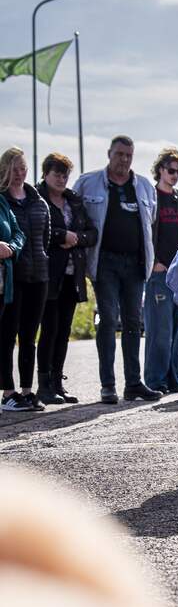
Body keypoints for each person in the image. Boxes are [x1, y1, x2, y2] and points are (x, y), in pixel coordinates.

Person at [75, 135, 162, 404]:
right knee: (109, 320)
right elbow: (76, 215)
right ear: (109, 153)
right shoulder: (88, 183)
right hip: (105, 263)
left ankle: (134, 384)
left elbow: (152, 222)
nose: (123, 160)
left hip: (135, 264)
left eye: (128, 155)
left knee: (134, 323)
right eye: (119, 154)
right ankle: (108, 385)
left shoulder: (145, 187)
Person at [36, 152, 98, 405]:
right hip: (48, 274)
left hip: (73, 275)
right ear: (45, 174)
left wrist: (75, 238)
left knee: (63, 332)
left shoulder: (73, 201)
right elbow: (37, 230)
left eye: (65, 175)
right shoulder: (36, 199)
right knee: (49, 330)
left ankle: (57, 383)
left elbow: (91, 233)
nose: (61, 179)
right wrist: (62, 235)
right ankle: (44, 385)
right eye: (57, 174)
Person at [144, 147, 178, 395]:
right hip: (158, 271)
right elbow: (145, 230)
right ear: (160, 170)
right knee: (160, 328)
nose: (175, 175)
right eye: (170, 170)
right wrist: (153, 260)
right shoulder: (151, 196)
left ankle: (174, 377)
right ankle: (156, 380)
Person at [1, 147, 51, 412]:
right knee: (8, 335)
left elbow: (46, 236)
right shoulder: (2, 201)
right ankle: (8, 392)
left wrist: (42, 260)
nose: (20, 174)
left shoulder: (37, 200)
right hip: (13, 277)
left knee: (29, 336)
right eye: (15, 169)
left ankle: (27, 390)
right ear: (6, 170)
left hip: (38, 275)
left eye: (23, 168)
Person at [0, 193, 25, 371]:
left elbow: (18, 233)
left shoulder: (1, 201)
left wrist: (12, 248)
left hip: (3, 281)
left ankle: (7, 393)